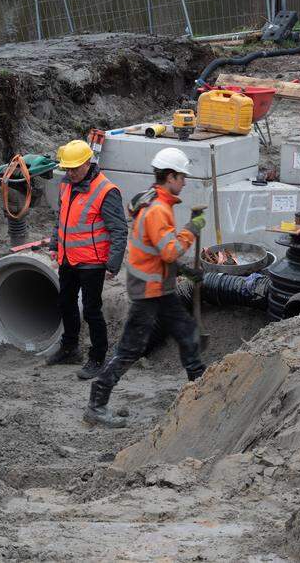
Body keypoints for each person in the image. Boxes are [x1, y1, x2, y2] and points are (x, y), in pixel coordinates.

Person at [84, 147, 207, 428]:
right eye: (182, 177)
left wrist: (184, 271)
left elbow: (156, 252)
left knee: (187, 333)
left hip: (159, 289)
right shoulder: (157, 211)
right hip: (148, 293)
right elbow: (170, 252)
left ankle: (201, 393)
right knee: (131, 349)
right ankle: (96, 404)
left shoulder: (156, 202)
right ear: (171, 176)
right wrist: (192, 229)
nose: (185, 182)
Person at [45, 139, 128, 380]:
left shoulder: (106, 191)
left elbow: (119, 230)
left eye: (74, 169)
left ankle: (98, 357)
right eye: (67, 169)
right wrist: (54, 244)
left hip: (92, 262)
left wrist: (113, 263)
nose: (70, 173)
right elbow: (61, 218)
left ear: (88, 163)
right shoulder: (66, 185)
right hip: (68, 258)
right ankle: (70, 348)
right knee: (66, 303)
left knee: (92, 310)